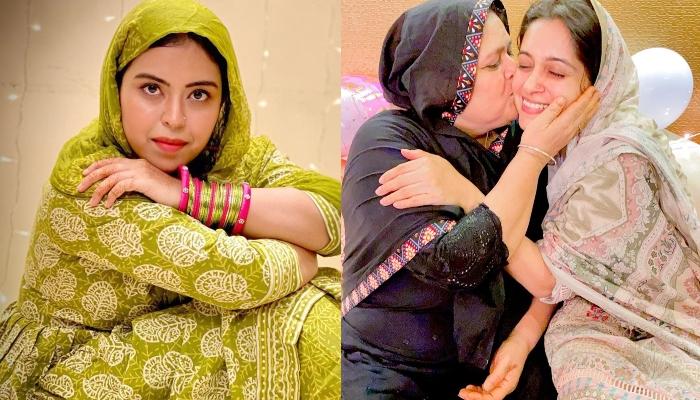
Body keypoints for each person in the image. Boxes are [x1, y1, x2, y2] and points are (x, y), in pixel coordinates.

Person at [0, 0, 341, 398]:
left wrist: (185, 194)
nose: (175, 118)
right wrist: (302, 254)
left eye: (199, 94)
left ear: (223, 102)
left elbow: (331, 217)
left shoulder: (227, 155)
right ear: (116, 89)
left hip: (158, 351)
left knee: (311, 315)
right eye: (151, 89)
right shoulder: (94, 178)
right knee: (300, 316)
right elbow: (241, 277)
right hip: (68, 369)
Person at [380, 0, 700, 398]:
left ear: (597, 82)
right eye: (524, 63)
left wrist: (464, 191)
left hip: (642, 321)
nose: (529, 85)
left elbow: (548, 278)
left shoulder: (612, 160)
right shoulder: (540, 136)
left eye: (556, 72)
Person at [340, 0, 599, 398]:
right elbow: (460, 264)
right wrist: (532, 157)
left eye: (510, 52)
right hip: (387, 363)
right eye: (495, 64)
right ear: (445, 80)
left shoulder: (521, 138)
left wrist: (521, 342)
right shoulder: (387, 141)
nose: (516, 70)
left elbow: (555, 269)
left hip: (494, 354)